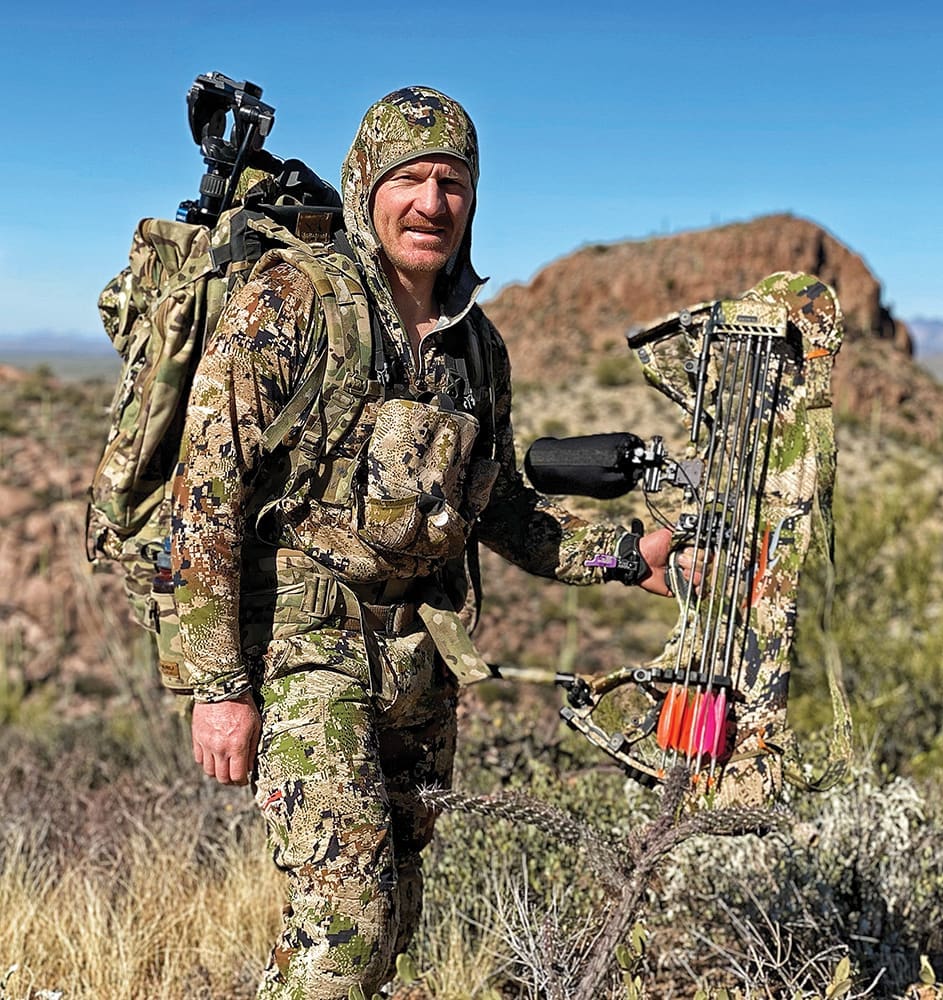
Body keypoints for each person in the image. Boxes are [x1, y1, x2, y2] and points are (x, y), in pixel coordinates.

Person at [168, 86, 775, 998]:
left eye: (452, 182)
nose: (431, 203)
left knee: (394, 922)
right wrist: (217, 688)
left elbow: (503, 511)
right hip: (305, 648)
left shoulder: (476, 348)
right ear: (366, 186)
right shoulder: (292, 301)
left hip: (422, 661)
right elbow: (204, 494)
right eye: (408, 178)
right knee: (342, 927)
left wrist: (628, 555)